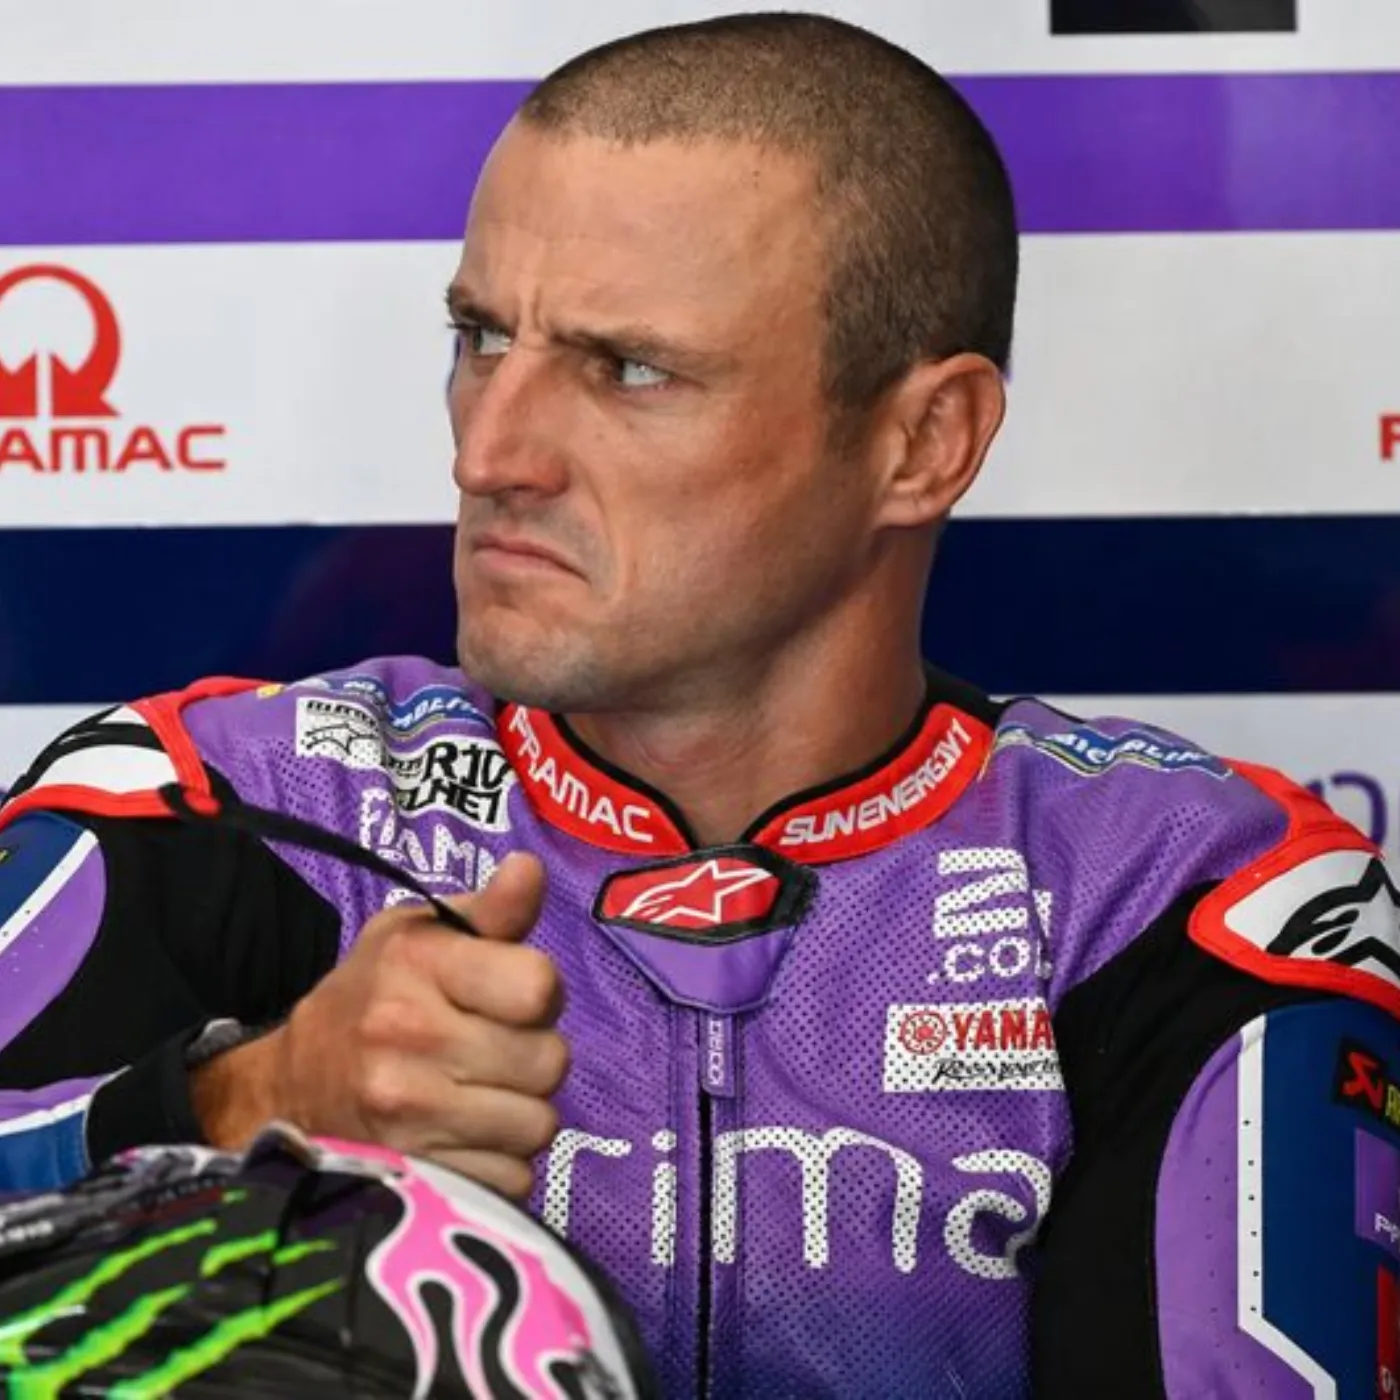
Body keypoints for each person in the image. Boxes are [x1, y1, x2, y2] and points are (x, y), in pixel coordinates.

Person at [0, 11, 1395, 1397]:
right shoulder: (209, 804)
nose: (491, 453)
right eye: (481, 338)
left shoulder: (1185, 897)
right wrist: (247, 1102)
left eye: (629, 369)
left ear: (924, 441)